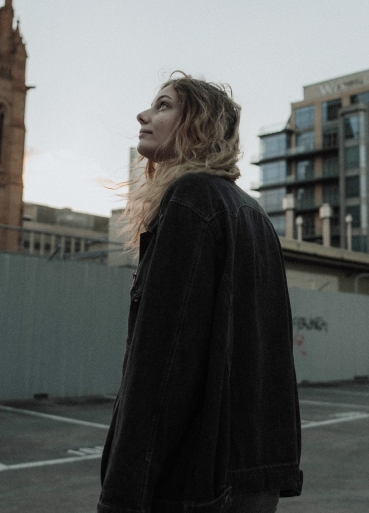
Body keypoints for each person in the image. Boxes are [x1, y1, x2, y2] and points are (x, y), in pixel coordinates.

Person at [98, 73, 302, 513]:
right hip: (253, 477)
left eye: (164, 105)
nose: (144, 114)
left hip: (195, 484)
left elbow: (163, 363)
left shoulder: (191, 201)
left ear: (199, 126)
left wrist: (121, 497)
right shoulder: (253, 213)